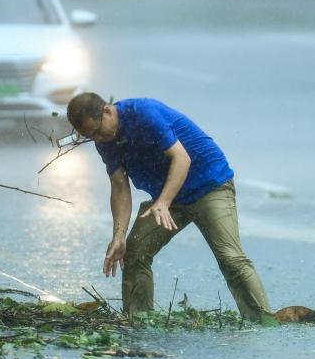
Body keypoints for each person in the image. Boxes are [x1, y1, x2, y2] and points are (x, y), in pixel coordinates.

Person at [66, 92, 271, 320]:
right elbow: (119, 187)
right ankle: (139, 321)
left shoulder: (143, 113)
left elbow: (181, 158)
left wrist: (163, 202)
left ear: (107, 111)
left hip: (209, 185)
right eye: (89, 136)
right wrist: (119, 234)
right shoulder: (105, 142)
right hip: (170, 198)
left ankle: (262, 320)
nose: (97, 139)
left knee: (230, 258)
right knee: (134, 251)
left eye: (97, 131)